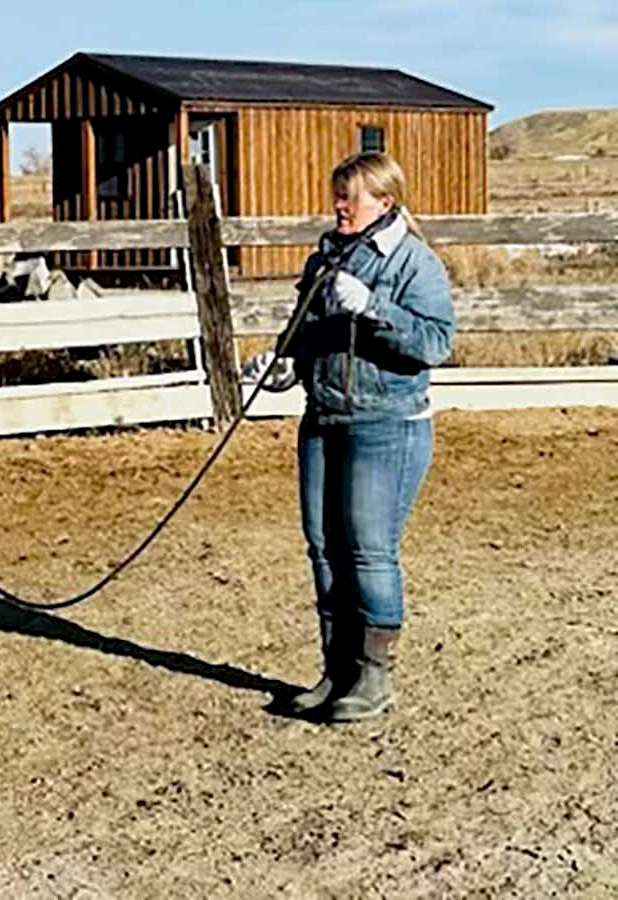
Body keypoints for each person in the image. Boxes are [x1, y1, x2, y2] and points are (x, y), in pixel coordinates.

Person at [242, 151, 456, 722]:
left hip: (388, 424)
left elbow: (436, 343)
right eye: (337, 194)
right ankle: (336, 672)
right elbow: (305, 331)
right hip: (324, 417)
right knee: (323, 547)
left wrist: (373, 308)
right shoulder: (325, 257)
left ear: (384, 202)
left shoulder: (416, 264)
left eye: (350, 196)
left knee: (368, 550)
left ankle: (374, 679)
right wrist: (287, 363)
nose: (338, 205)